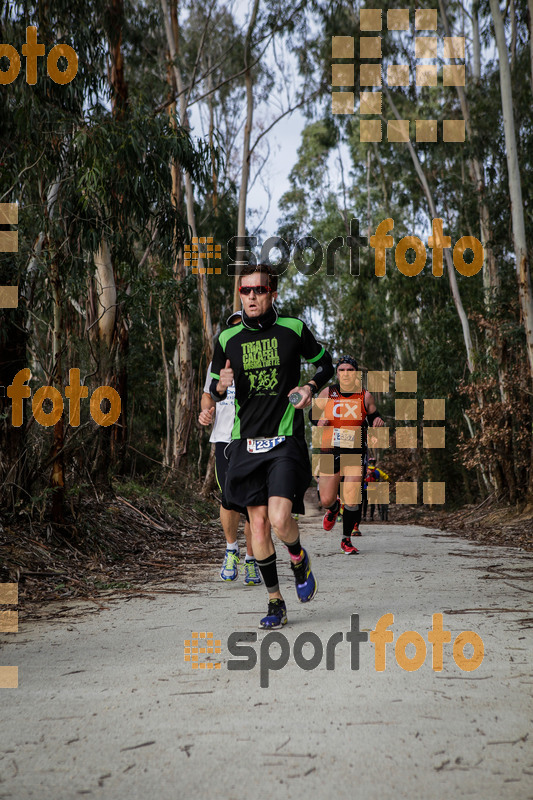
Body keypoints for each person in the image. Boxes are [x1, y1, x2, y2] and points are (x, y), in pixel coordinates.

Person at [210, 263, 334, 628]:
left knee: (281, 520)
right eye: (245, 291)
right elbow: (215, 387)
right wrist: (221, 385)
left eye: (259, 290)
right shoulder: (226, 340)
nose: (251, 296)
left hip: (284, 440)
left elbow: (325, 365)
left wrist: (310, 388)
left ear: (272, 294)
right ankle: (275, 601)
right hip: (245, 444)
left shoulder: (293, 329)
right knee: (259, 526)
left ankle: (298, 557)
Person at [199, 311, 262, 586]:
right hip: (224, 439)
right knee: (228, 499)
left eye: (244, 328)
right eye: (234, 329)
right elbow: (206, 396)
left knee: (253, 505)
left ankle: (251, 559)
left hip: (254, 438)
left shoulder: (262, 362)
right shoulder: (218, 364)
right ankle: (230, 550)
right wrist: (206, 413)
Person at [312, 356, 385, 554]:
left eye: (350, 370)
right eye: (342, 370)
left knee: (352, 498)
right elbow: (313, 415)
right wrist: (319, 421)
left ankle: (346, 540)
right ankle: (334, 509)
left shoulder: (365, 396)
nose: (346, 373)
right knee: (326, 499)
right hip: (330, 450)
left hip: (355, 451)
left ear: (356, 373)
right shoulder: (328, 392)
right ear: (337, 373)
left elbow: (374, 416)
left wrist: (378, 422)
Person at [363, 457, 390, 521]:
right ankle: (371, 517)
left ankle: (364, 516)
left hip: (365, 489)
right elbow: (386, 477)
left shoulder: (365, 470)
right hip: (374, 489)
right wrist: (389, 481)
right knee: (372, 503)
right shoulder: (377, 470)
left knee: (365, 503)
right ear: (374, 463)